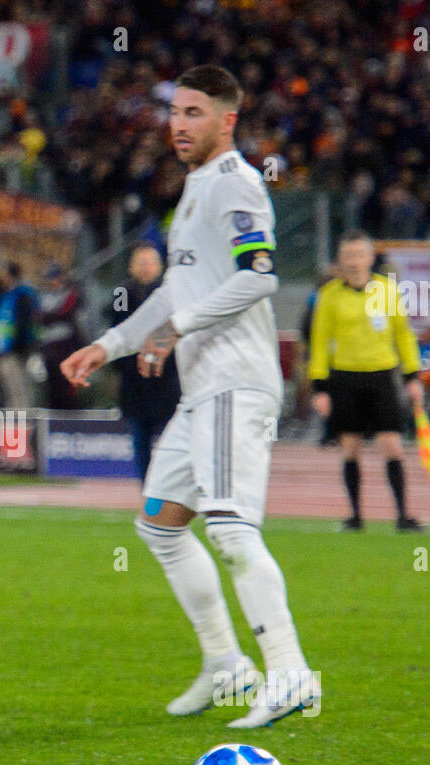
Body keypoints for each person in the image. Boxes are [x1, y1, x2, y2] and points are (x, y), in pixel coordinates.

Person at [61, 66, 319, 730]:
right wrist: (110, 344)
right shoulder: (193, 192)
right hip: (202, 391)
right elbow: (176, 294)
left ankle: (289, 672)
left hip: (237, 381)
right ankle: (226, 662)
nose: (179, 124)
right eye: (175, 111)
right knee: (159, 522)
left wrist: (181, 327)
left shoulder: (236, 183)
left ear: (227, 121)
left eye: (194, 112)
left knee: (231, 530)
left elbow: (259, 277)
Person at [308, 231, 425, 532]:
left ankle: (402, 516)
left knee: (392, 445)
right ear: (340, 260)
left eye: (360, 255)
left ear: (371, 258)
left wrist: (412, 376)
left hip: (382, 376)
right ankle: (355, 516)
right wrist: (320, 387)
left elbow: (404, 335)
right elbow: (319, 343)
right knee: (350, 447)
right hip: (345, 378)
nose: (354, 261)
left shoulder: (388, 291)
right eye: (348, 255)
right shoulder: (330, 296)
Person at [111, 242, 180, 479]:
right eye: (142, 262)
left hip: (166, 379)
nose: (146, 268)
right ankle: (145, 486)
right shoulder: (122, 292)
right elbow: (118, 323)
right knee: (139, 442)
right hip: (134, 382)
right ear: (132, 266)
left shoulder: (170, 294)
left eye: (151, 262)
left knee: (169, 441)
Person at [0, 262, 37, 409]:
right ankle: (14, 420)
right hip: (3, 350)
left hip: (15, 351)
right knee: (9, 390)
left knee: (19, 388)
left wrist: (18, 347)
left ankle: (23, 421)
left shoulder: (22, 295)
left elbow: (23, 323)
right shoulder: (5, 295)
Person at [36, 263, 85, 410]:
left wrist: (50, 317)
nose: (52, 282)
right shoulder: (44, 296)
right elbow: (39, 317)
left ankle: (70, 415)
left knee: (67, 383)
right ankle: (54, 413)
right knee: (52, 384)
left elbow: (65, 312)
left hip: (67, 344)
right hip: (49, 344)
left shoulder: (71, 293)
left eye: (55, 278)